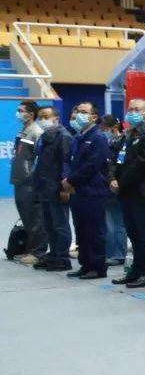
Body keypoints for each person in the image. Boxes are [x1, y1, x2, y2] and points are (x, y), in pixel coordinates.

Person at [109, 99, 145, 288]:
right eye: (130, 109)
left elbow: (143, 162)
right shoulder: (128, 134)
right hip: (126, 191)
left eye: (137, 109)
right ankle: (135, 271)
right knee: (132, 232)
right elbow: (116, 159)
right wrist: (112, 178)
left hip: (141, 191)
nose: (132, 112)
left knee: (144, 234)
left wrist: (121, 181)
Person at [63, 102, 111, 279]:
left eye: (84, 112)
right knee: (81, 229)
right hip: (77, 190)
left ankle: (97, 267)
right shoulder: (78, 137)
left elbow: (92, 164)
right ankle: (85, 263)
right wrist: (67, 178)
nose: (79, 114)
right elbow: (69, 160)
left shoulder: (98, 137)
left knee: (94, 230)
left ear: (94, 117)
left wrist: (71, 180)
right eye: (77, 111)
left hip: (93, 190)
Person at [30, 106, 73, 272]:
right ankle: (53, 254)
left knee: (60, 224)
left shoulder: (64, 137)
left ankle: (62, 257)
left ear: (56, 118)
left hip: (57, 187)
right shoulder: (44, 136)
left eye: (46, 116)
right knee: (48, 224)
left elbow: (66, 162)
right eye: (40, 117)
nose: (42, 120)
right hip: (44, 186)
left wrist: (65, 187)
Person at [11, 100, 45, 265]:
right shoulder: (23, 131)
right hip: (20, 180)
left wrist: (32, 176)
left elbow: (40, 159)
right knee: (26, 217)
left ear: (31, 114)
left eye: (21, 110)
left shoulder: (36, 132)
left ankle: (37, 252)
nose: (18, 113)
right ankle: (29, 249)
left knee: (34, 219)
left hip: (30, 182)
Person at [101, 114, 127, 267]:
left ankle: (118, 253)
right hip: (106, 183)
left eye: (105, 128)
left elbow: (115, 164)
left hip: (115, 184)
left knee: (116, 222)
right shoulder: (109, 141)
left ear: (114, 127)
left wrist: (113, 179)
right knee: (109, 221)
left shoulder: (121, 141)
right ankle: (110, 251)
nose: (103, 130)